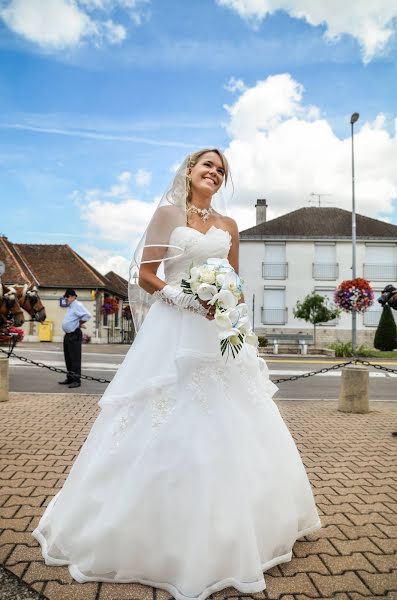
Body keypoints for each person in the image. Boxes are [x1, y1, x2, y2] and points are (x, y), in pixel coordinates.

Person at [33, 149, 321, 599]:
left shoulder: (229, 226)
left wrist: (238, 318)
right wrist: (183, 299)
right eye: (207, 165)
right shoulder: (168, 214)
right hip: (176, 325)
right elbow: (146, 274)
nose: (214, 172)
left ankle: (243, 530)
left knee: (238, 419)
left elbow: (235, 280)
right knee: (163, 410)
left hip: (219, 332)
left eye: (221, 169)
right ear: (189, 171)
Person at [58, 288, 91, 389]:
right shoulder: (71, 306)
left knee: (75, 358)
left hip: (74, 334)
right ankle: (70, 378)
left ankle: (76, 380)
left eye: (67, 296)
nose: (65, 298)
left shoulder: (77, 305)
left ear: (73, 297)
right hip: (68, 335)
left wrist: (79, 324)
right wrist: (77, 323)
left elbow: (87, 315)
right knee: (68, 357)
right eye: (65, 296)